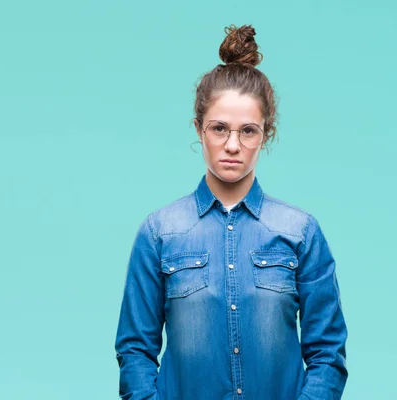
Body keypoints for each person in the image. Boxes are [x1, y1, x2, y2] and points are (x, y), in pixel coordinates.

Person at [114, 24, 348, 400]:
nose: (232, 145)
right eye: (219, 128)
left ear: (266, 134)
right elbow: (134, 351)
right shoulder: (159, 232)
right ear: (199, 129)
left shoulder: (301, 232)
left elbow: (328, 354)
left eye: (248, 131)